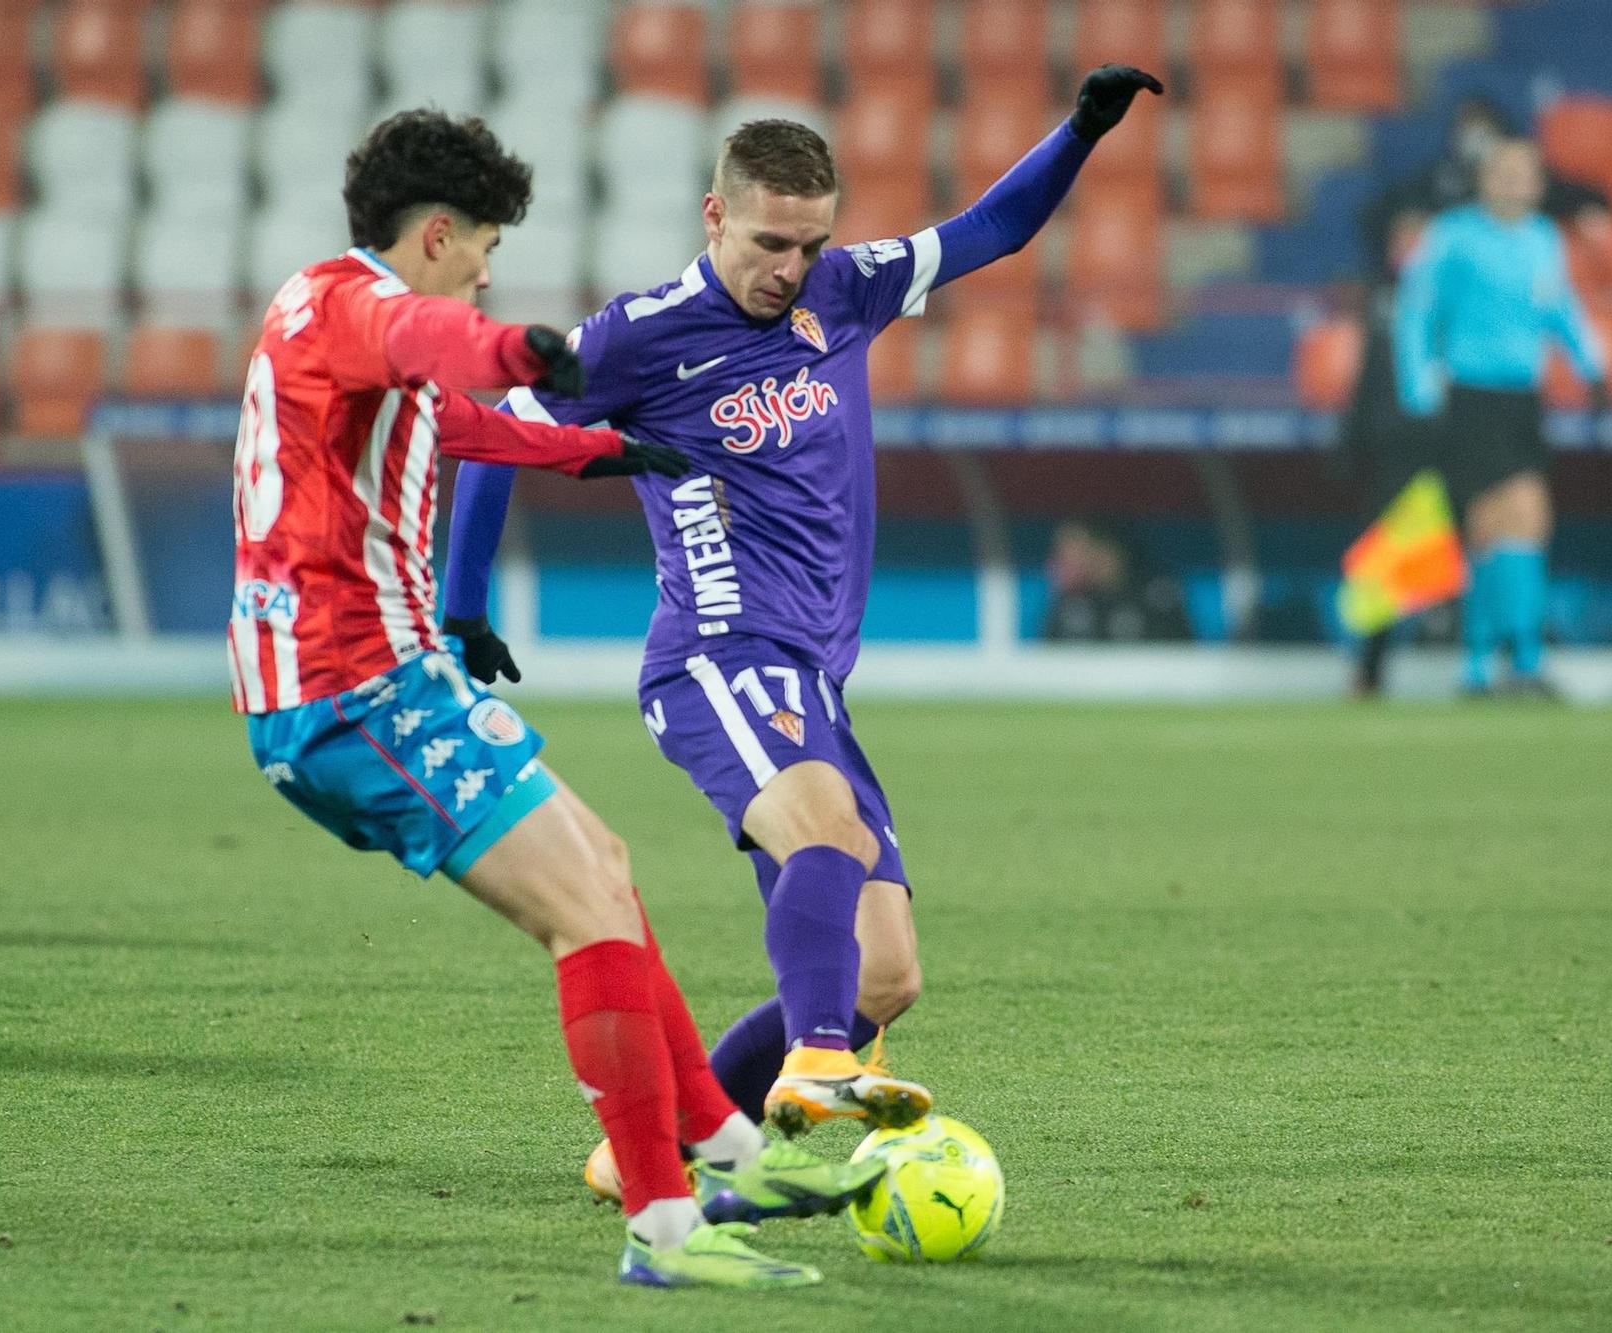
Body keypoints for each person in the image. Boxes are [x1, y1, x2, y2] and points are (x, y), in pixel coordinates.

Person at [439, 68, 1164, 1189]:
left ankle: (655, 1145)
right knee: (827, 836)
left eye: (809, 243)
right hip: (715, 657)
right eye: (771, 242)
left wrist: (1078, 131)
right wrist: (464, 603)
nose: (790, 270)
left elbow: (994, 228)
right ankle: (816, 1063)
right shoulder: (635, 339)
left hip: (811, 676)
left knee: (886, 973)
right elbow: (493, 432)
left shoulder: (846, 289)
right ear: (715, 215)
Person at [231, 110, 881, 1292]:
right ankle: (669, 1228)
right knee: (588, 911)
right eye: (481, 243)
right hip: (348, 690)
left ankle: (730, 1157)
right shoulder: (358, 305)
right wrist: (528, 350)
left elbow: (460, 426)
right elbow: (438, 343)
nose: (487, 263)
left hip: (379, 680)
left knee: (607, 876)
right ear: (435, 234)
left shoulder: (309, 304)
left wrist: (604, 453)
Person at [1393, 138, 1607, 696]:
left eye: (1524, 174)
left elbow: (1561, 308)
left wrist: (1592, 366)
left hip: (1522, 398)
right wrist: (1418, 385)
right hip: (1471, 395)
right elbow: (1415, 310)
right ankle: (1489, 661)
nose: (1515, 183)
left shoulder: (1543, 239)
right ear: (1484, 180)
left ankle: (1515, 660)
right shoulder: (1452, 236)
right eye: (1504, 173)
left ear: (1537, 185)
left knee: (1527, 522)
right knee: (1492, 524)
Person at [1335, 211, 1441, 695]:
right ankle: (1371, 670)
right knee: (1382, 563)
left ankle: (1478, 663)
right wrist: (1351, 441)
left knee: (1454, 554)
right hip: (1389, 453)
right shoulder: (1381, 299)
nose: (1409, 248)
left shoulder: (1450, 298)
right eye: (1403, 238)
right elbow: (1368, 380)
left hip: (1443, 447)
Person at [1360, 94, 1611, 272]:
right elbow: (1381, 212)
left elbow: (1574, 194)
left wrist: (1589, 207)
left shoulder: (1519, 178)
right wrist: (1400, 223)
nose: (1475, 141)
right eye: (1467, 130)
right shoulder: (1439, 179)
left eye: (1483, 131)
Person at [1041, 520, 1194, 643]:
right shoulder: (1069, 604)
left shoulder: (1158, 597)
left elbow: (1182, 661)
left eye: (1069, 551)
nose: (1061, 562)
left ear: (1104, 548)